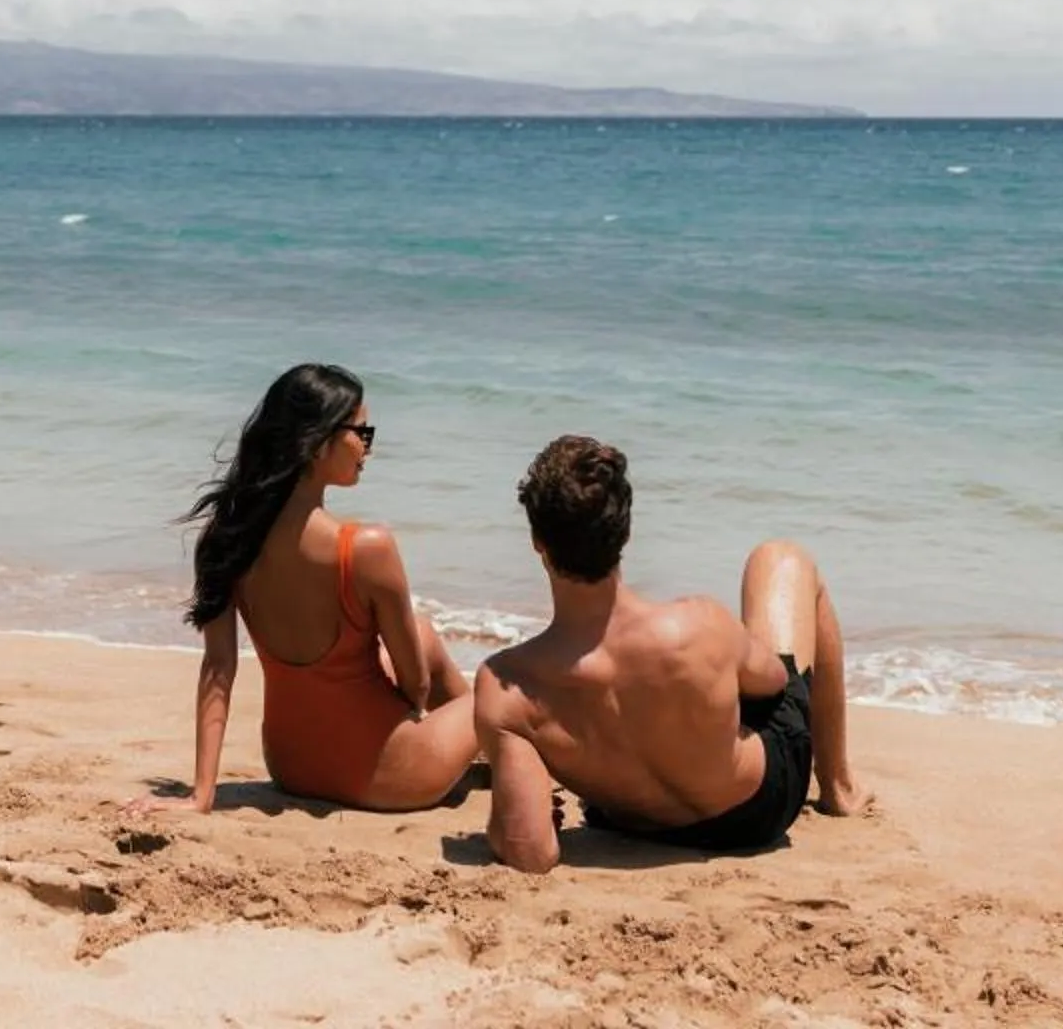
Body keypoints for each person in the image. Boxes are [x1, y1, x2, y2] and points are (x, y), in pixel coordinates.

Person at [473, 435, 869, 869]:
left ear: (537, 542)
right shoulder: (698, 623)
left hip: (630, 823)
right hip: (759, 810)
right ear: (625, 529)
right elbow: (775, 681)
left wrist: (501, 825)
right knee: (782, 558)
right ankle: (838, 786)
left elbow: (531, 852)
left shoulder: (507, 685)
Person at [137, 363, 478, 812]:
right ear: (318, 443)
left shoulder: (226, 539)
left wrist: (202, 795)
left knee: (423, 631)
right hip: (390, 777)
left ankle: (479, 756)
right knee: (498, 692)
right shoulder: (366, 548)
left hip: (292, 768)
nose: (368, 449)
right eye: (362, 433)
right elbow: (416, 688)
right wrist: (402, 713)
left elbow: (218, 670)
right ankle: (497, 758)